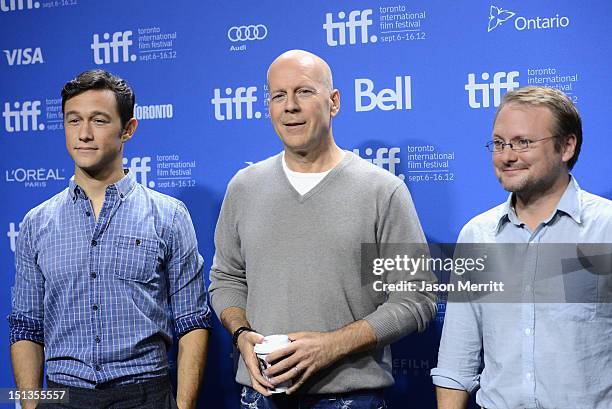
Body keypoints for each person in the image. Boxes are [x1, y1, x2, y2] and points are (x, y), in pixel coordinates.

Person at [208, 49, 437, 409]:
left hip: (350, 397)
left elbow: (416, 299)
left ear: (334, 102)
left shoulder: (382, 190)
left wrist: (332, 346)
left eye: (304, 92)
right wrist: (240, 334)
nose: (290, 106)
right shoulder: (244, 187)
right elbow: (226, 280)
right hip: (260, 396)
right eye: (278, 96)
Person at [8, 69, 211, 409]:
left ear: (128, 129)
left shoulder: (170, 216)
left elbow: (192, 321)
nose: (84, 134)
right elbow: (27, 327)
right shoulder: (35, 223)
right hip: (62, 396)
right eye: (73, 121)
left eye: (99, 121)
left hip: (146, 395)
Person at [431, 86, 612, 409]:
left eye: (523, 142)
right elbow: (457, 359)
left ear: (567, 146)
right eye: (499, 144)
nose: (507, 156)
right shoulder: (477, 235)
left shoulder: (606, 227)